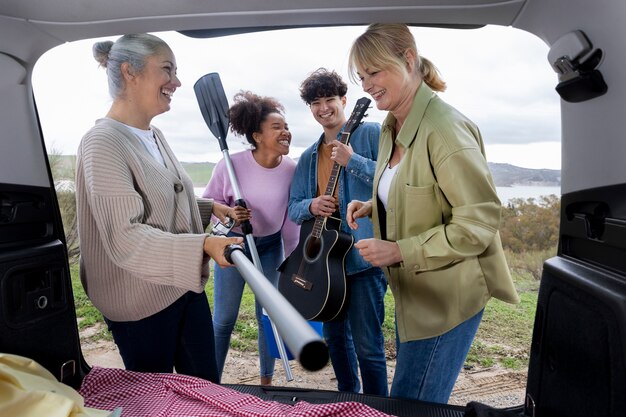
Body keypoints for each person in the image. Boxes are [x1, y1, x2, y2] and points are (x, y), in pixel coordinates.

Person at [346, 24, 521, 403]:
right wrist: (373, 205)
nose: (366, 84)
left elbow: (478, 222)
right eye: (361, 77)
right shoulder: (391, 126)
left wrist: (400, 251)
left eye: (373, 72)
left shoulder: (445, 130)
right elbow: (414, 192)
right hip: (414, 296)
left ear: (408, 59)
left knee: (411, 405)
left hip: (446, 302)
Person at [76, 33, 244, 383]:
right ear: (129, 72)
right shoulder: (102, 143)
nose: (177, 82)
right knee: (156, 396)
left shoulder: (154, 135)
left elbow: (161, 200)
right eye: (167, 70)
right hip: (139, 300)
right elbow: (126, 236)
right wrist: (203, 244)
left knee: (206, 386)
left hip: (181, 287)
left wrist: (210, 207)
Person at [288, 68, 388, 395]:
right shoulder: (308, 156)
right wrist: (312, 206)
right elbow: (294, 207)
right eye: (315, 103)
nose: (323, 108)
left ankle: (377, 408)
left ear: (344, 100)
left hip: (363, 262)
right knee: (335, 342)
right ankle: (348, 398)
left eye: (330, 99)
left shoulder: (371, 133)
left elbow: (395, 181)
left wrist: (353, 160)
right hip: (326, 269)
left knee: (368, 347)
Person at [202, 91, 300, 386]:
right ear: (257, 135)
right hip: (234, 248)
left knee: (267, 317)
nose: (286, 132)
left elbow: (290, 222)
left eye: (286, 127)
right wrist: (231, 215)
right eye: (277, 127)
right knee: (224, 320)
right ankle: (211, 383)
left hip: (271, 249)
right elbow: (210, 206)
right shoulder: (230, 165)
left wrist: (291, 262)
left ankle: (266, 382)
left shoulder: (291, 169)